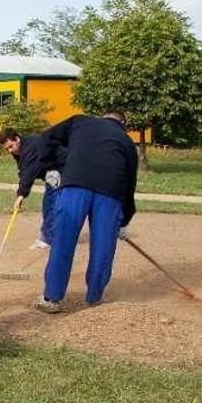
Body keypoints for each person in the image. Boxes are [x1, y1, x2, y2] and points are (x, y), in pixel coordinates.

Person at [33, 110, 138, 313]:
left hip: (75, 186)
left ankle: (51, 298)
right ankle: (94, 298)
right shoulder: (126, 141)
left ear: (102, 117)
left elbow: (45, 138)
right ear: (122, 124)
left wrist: (52, 165)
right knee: (103, 247)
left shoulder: (80, 121)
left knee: (63, 241)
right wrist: (123, 219)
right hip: (110, 194)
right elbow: (130, 184)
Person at [0, 128, 68, 249]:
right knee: (55, 202)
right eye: (7, 149)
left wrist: (20, 195)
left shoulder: (30, 147)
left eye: (10, 146)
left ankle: (48, 239)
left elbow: (29, 172)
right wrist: (21, 192)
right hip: (52, 171)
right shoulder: (19, 149)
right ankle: (53, 235)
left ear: (17, 139)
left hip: (62, 168)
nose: (9, 151)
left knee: (50, 203)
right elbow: (24, 169)